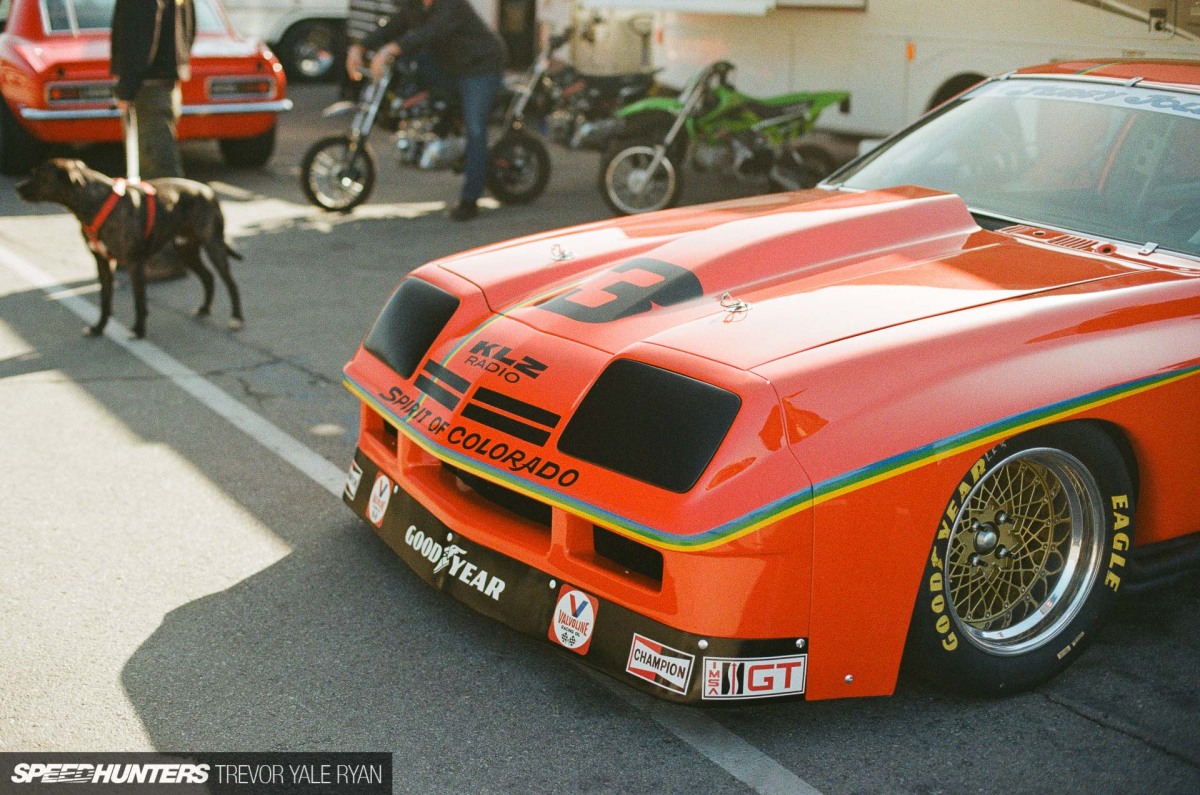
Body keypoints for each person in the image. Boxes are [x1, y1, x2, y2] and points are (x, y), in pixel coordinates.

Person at [353, 0, 507, 222]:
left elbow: (430, 33)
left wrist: (389, 49)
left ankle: (470, 199)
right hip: (450, 65)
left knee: (475, 128)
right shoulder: (414, 6)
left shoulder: (452, 5)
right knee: (410, 66)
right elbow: (392, 27)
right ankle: (433, 122)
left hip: (480, 66)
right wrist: (359, 47)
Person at [111, 0, 196, 280]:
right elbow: (189, 27)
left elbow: (139, 35)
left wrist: (126, 87)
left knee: (158, 181)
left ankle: (166, 257)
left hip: (149, 86)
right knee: (157, 176)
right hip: (163, 82)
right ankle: (154, 252)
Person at [341, 0, 404, 102]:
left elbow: (428, 31)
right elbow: (394, 23)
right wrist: (359, 47)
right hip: (366, 38)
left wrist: (388, 50)